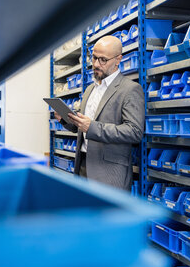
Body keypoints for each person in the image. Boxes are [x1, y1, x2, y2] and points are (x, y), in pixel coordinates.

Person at [55, 35, 144, 190]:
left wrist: (92, 127)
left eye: (103, 60)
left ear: (118, 59)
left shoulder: (130, 89)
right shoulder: (90, 89)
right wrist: (66, 119)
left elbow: (134, 131)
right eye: (94, 58)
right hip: (83, 165)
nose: (96, 64)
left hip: (109, 173)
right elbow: (81, 128)